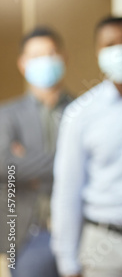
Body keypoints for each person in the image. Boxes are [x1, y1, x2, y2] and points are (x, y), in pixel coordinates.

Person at [51, 16, 122, 277]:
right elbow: (67, 190)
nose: (121, 52)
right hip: (102, 247)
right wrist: (67, 261)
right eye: (111, 45)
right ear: (98, 53)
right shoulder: (80, 114)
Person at [0, 27, 72, 277]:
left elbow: (96, 165)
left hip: (76, 229)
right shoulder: (7, 114)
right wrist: (68, 162)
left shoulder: (81, 111)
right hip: (25, 232)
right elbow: (5, 166)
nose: (45, 62)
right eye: (36, 56)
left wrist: (28, 162)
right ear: (22, 64)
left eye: (50, 54)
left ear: (63, 58)